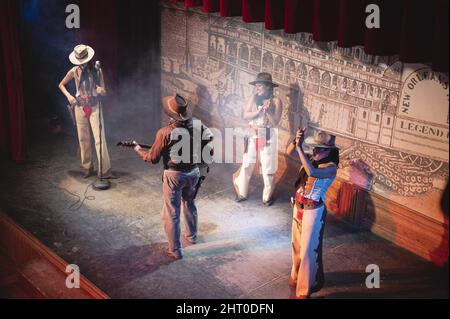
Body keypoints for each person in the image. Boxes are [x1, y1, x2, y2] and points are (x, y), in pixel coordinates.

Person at [133, 94, 213, 260]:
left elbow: (152, 158)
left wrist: (139, 150)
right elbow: (209, 138)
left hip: (174, 175)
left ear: (170, 114)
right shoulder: (198, 126)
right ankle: (192, 238)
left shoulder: (165, 132)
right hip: (194, 172)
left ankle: (175, 250)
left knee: (171, 212)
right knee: (189, 203)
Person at [288, 128, 339, 299]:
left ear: (329, 152)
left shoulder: (331, 168)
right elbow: (289, 153)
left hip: (313, 212)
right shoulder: (311, 158)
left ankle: (304, 290)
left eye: (320, 148)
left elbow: (312, 172)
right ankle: (295, 276)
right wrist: (297, 140)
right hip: (298, 206)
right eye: (314, 147)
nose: (315, 150)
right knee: (295, 245)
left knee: (308, 252)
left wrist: (301, 148)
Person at [58, 44, 115, 179]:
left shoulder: (97, 70)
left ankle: (105, 171)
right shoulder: (74, 71)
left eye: (84, 61)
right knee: (83, 139)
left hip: (95, 106)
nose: (82, 64)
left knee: (99, 139)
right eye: (80, 62)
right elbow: (61, 85)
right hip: (80, 107)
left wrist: (102, 91)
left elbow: (104, 91)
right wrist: (69, 96)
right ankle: (87, 167)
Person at [232, 73, 282, 206]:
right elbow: (246, 115)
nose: (257, 88)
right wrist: (258, 112)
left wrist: (267, 111)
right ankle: (242, 192)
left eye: (259, 85)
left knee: (267, 166)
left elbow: (275, 122)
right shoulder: (253, 98)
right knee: (248, 163)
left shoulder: (276, 101)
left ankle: (267, 196)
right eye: (256, 85)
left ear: (268, 87)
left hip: (266, 135)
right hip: (253, 133)